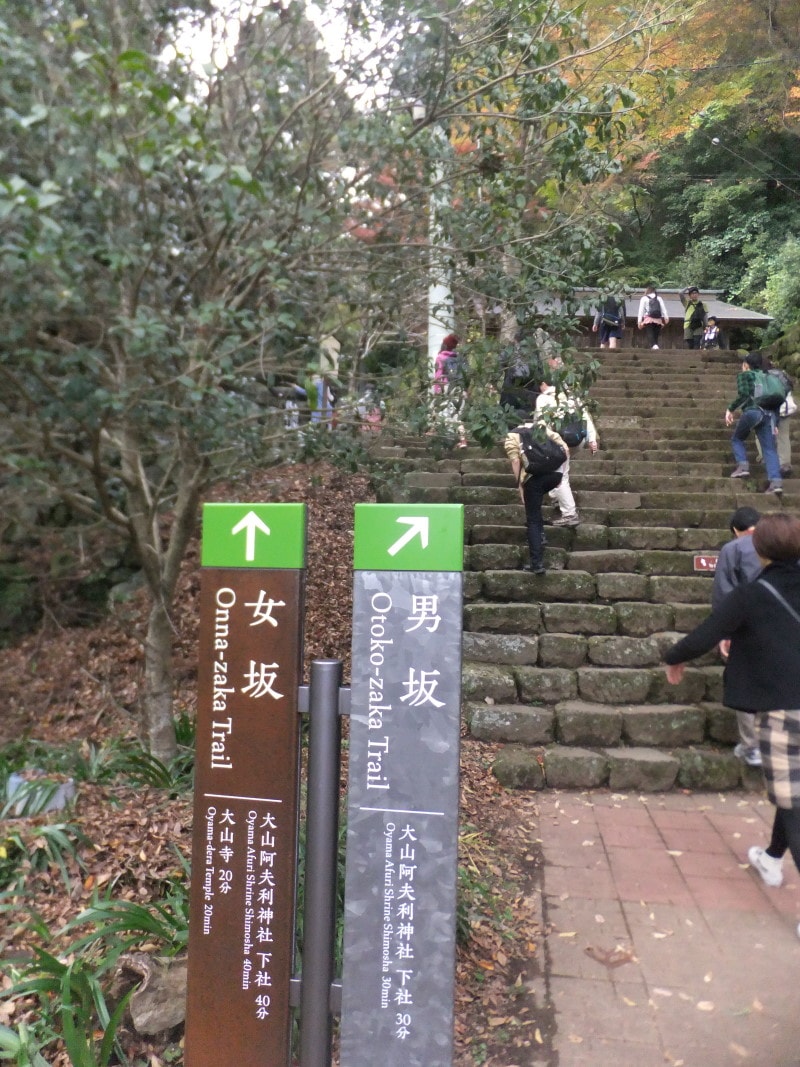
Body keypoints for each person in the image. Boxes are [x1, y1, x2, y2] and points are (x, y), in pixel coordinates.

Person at [663, 513, 800, 928]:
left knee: (793, 802)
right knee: (793, 791)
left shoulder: (751, 594)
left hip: (784, 708)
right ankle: (772, 858)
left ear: (757, 549)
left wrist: (673, 658)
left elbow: (707, 634)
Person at [712, 507, 763, 767]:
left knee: (745, 680)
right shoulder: (785, 545)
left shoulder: (733, 549)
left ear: (735, 530)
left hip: (747, 625)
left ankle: (752, 745)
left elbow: (725, 593)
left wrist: (726, 632)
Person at [535, 358, 599, 528]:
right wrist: (592, 440)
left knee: (559, 476)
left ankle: (570, 513)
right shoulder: (571, 396)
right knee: (559, 471)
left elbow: (540, 424)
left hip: (558, 440)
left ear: (543, 384)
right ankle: (556, 497)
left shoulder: (543, 398)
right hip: (576, 441)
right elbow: (585, 417)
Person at [504, 416, 569, 574]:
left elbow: (515, 461)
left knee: (532, 518)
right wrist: (562, 476)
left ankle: (537, 564)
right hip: (554, 475)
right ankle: (541, 536)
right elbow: (565, 449)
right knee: (536, 507)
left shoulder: (511, 436)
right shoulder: (541, 428)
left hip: (533, 478)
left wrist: (519, 483)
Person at [726, 351, 783, 495]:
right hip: (769, 415)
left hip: (753, 411)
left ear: (746, 365)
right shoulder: (769, 377)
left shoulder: (746, 375)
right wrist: (775, 422)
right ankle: (776, 482)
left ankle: (743, 467)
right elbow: (777, 400)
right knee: (769, 449)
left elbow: (744, 395)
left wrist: (730, 409)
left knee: (737, 439)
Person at [433, 333, 467, 446]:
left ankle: (448, 441)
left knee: (446, 414)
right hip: (460, 388)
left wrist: (437, 392)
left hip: (447, 388)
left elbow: (438, 376)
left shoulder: (441, 357)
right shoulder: (460, 358)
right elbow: (467, 375)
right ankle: (462, 440)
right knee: (458, 414)